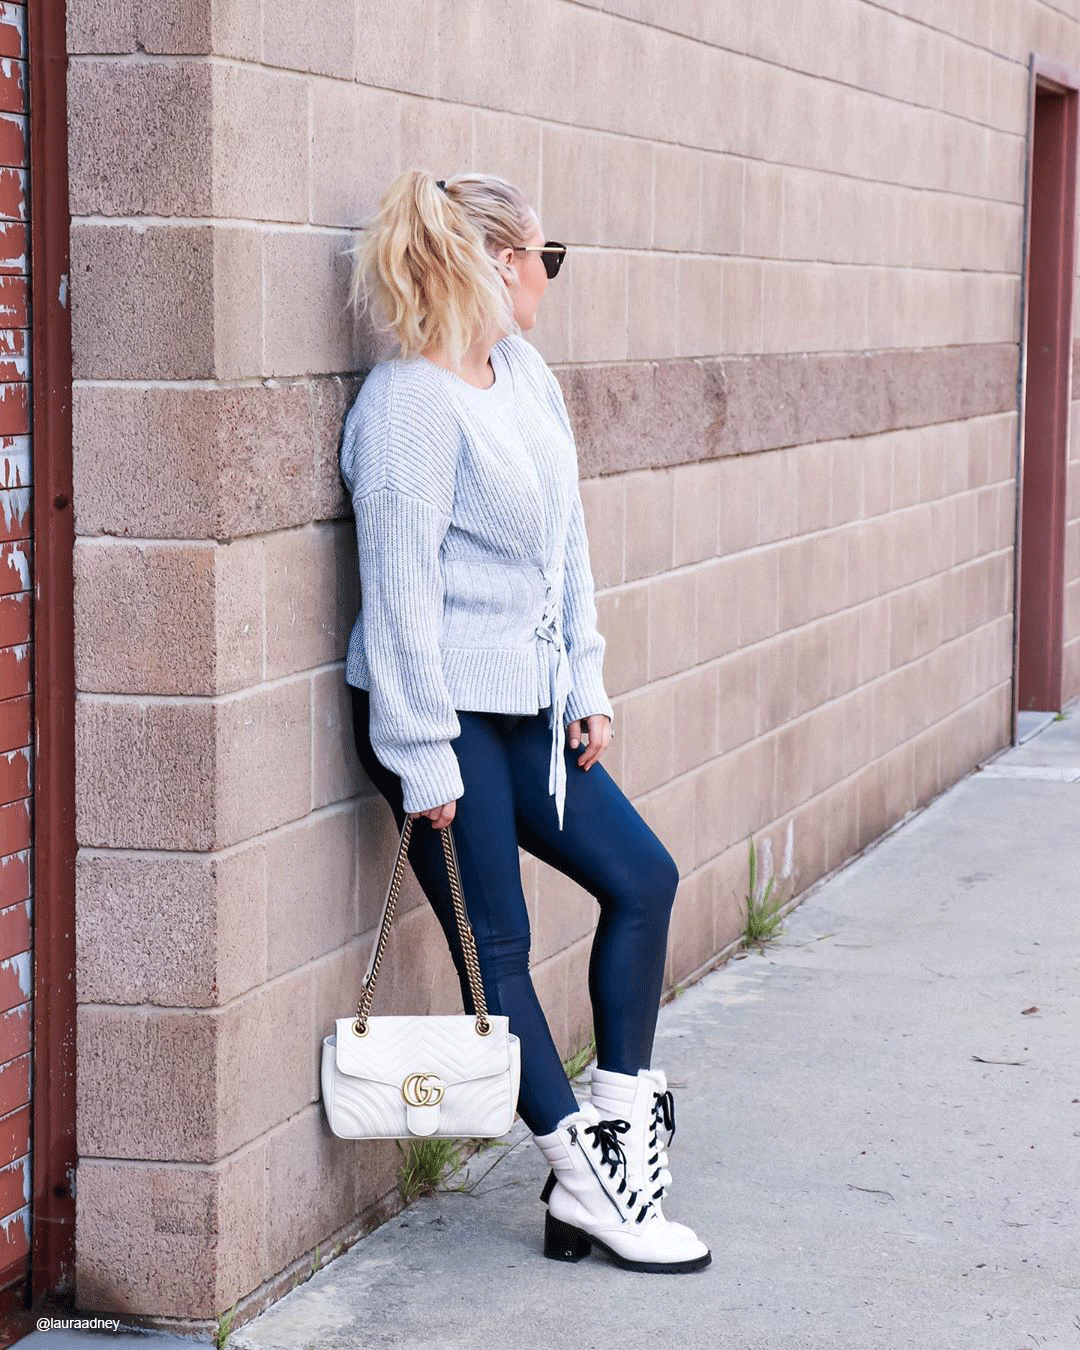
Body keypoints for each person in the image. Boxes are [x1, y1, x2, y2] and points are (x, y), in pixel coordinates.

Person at [340, 168, 710, 1273]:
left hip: (528, 707)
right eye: (546, 259)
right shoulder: (408, 404)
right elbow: (397, 595)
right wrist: (417, 755)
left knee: (643, 879)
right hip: (440, 716)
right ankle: (586, 1178)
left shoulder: (524, 376)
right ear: (499, 266)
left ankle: (620, 1119)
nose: (552, 279)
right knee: (494, 943)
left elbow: (569, 544)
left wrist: (583, 684)